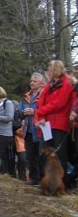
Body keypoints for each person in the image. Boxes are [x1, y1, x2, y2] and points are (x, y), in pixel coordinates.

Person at [34, 60, 74, 188]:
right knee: (44, 152)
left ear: (56, 70)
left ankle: (61, 183)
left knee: (60, 155)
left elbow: (59, 104)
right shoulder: (48, 86)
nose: (48, 71)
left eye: (50, 69)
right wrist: (41, 117)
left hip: (59, 124)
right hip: (46, 124)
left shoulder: (65, 85)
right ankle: (45, 181)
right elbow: (41, 102)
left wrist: (40, 112)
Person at [20, 73, 43, 185]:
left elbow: (46, 110)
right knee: (30, 155)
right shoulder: (25, 97)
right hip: (28, 130)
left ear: (41, 83)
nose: (32, 83)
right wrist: (22, 114)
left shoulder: (43, 95)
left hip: (40, 130)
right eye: (31, 81)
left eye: (34, 81)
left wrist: (35, 112)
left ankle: (44, 178)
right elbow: (19, 112)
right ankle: (34, 177)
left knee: (42, 155)